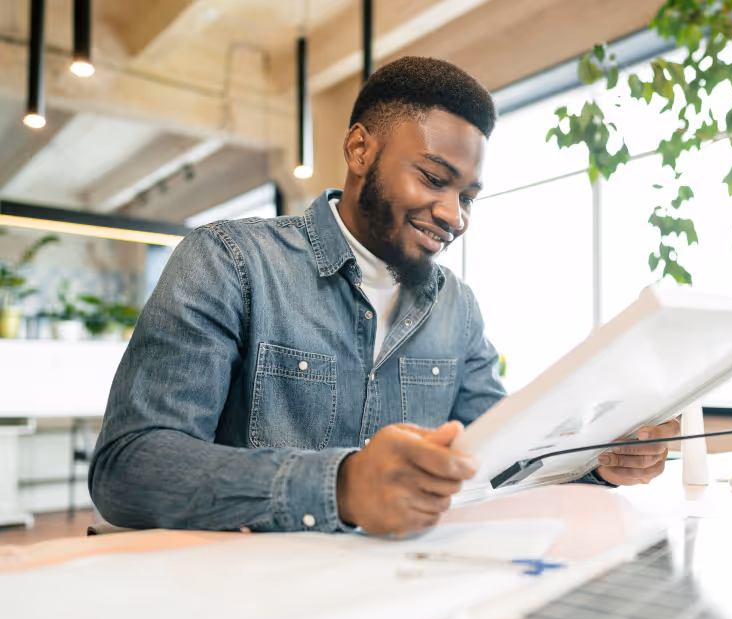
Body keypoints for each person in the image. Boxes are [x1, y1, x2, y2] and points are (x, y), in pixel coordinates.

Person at [89, 57, 679, 537]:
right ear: (358, 151)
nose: (454, 215)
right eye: (432, 178)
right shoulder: (229, 261)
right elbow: (129, 467)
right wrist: (341, 486)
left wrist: (600, 461)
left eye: (468, 196)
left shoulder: (457, 306)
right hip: (245, 603)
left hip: (396, 597)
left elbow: (501, 455)